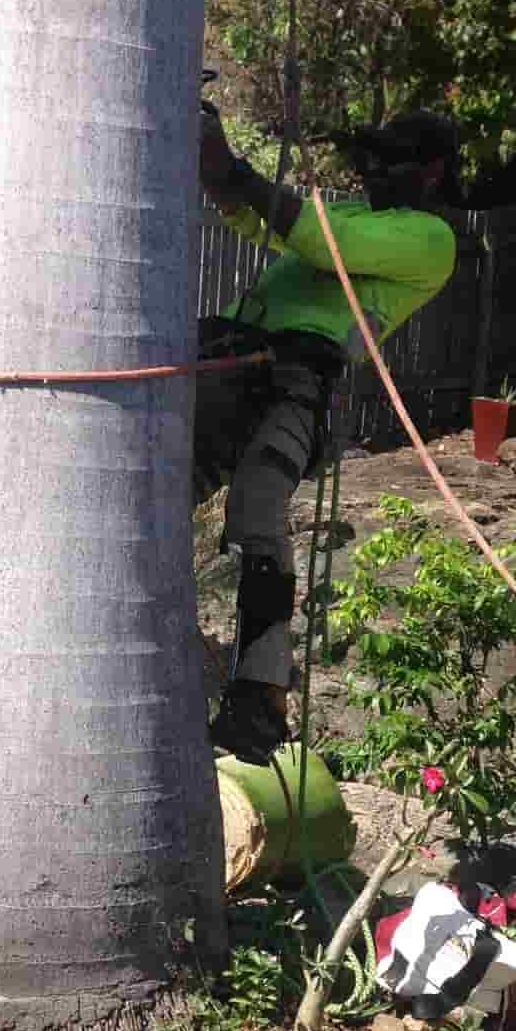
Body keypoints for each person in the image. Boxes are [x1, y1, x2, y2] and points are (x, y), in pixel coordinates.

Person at [195, 107, 460, 763]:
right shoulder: (352, 218)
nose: (371, 169)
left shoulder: (429, 239)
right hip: (231, 357)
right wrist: (213, 167)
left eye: (389, 158)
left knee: (258, 508)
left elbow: (309, 238)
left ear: (432, 172)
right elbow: (252, 216)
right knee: (158, 494)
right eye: (368, 156)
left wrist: (231, 166)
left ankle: (260, 694)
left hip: (297, 378)